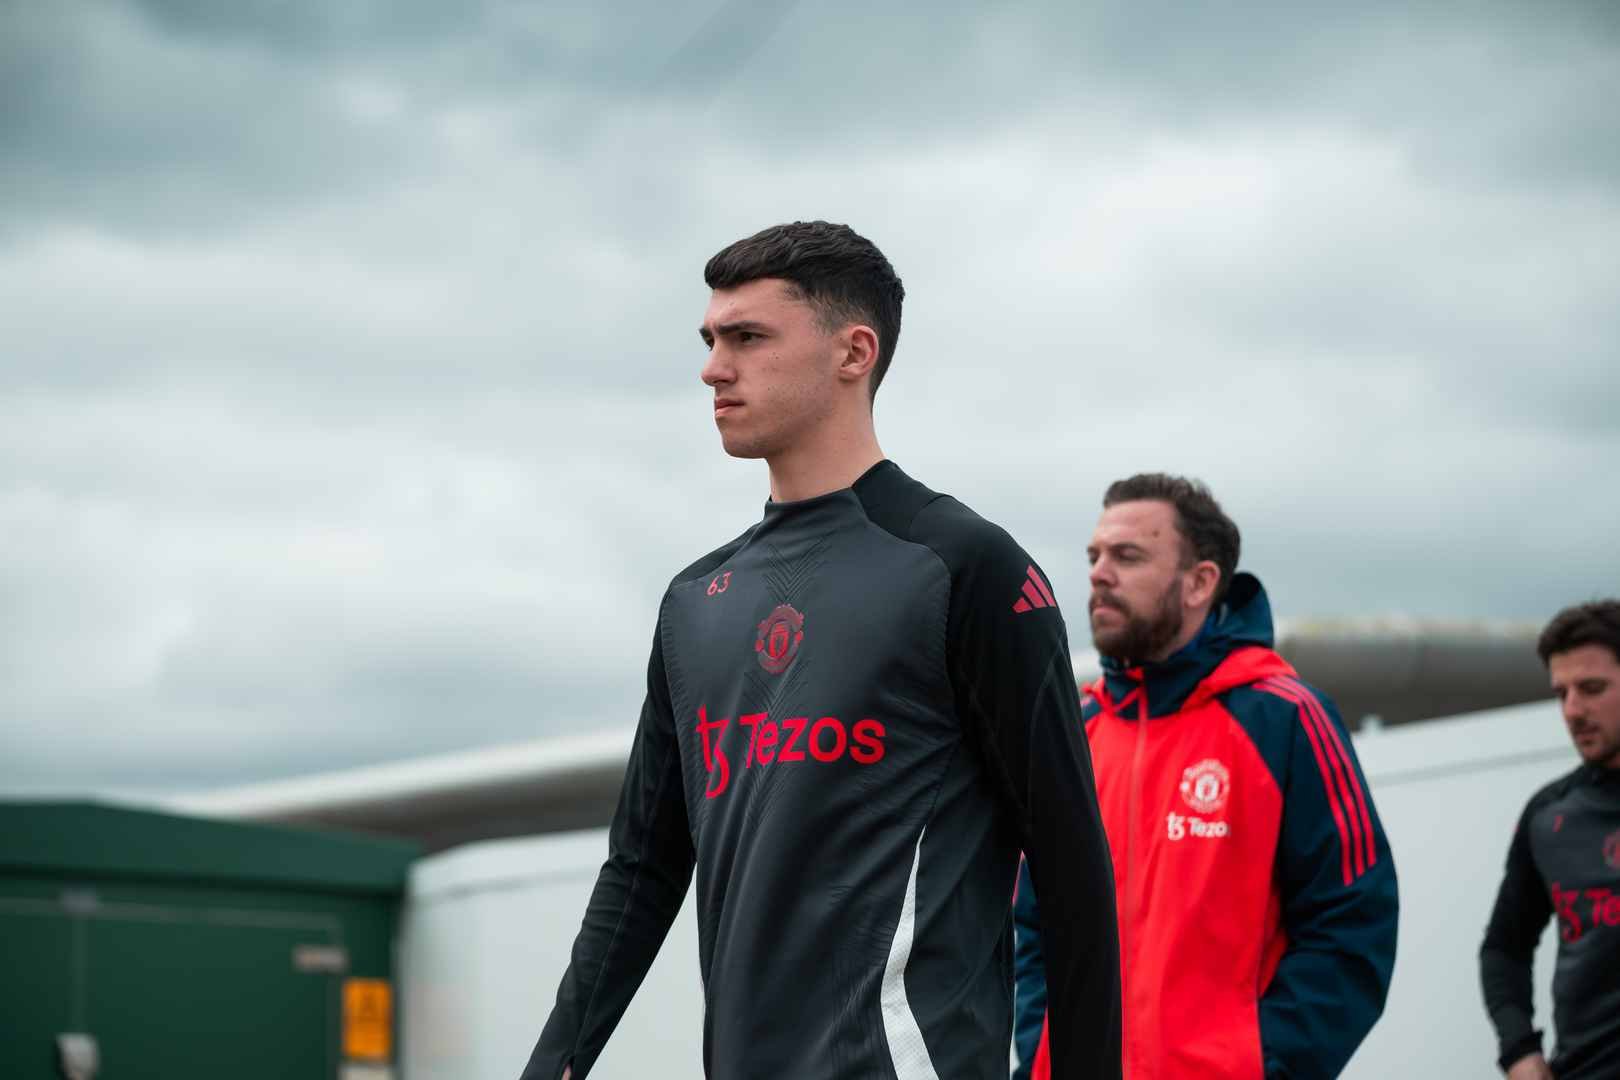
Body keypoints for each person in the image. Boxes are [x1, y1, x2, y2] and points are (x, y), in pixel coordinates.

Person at [520, 221, 1121, 1080]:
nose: (712, 367)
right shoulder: (695, 600)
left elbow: (1070, 867)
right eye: (709, 340)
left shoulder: (962, 564)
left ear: (854, 352)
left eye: (748, 337)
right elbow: (641, 873)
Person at [1013, 474, 1398, 1080]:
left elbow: (1351, 930)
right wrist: (1043, 1053)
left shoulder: (1286, 718)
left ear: (1200, 582)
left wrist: (1257, 1065)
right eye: (1094, 556)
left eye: (1127, 556)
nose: (1098, 573)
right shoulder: (1074, 733)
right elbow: (1031, 925)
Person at [1480, 600, 1620, 1080]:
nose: (1573, 710)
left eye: (1592, 689)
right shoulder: (1550, 815)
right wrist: (1519, 1052)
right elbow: (1503, 947)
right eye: (1561, 693)